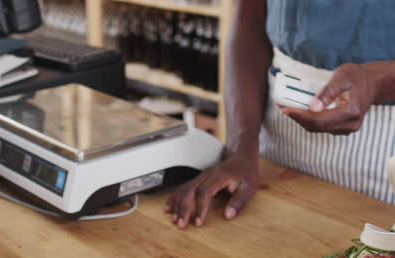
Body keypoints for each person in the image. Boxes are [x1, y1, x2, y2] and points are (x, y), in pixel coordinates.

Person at [166, 0, 395, 229]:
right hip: (275, 154)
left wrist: (379, 83)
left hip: (383, 156)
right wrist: (241, 148)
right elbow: (251, 20)